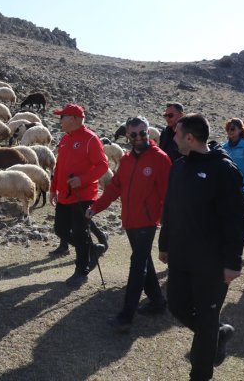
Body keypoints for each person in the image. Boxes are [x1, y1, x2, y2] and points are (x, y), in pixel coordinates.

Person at [159, 114, 244, 381]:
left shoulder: (224, 170)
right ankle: (219, 334)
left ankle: (200, 374)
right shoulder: (179, 167)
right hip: (181, 256)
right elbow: (170, 209)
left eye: (177, 134)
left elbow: (236, 222)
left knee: (207, 320)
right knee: (176, 305)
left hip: (212, 263)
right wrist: (164, 244)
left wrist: (233, 262)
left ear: (190, 137)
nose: (173, 138)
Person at [86, 116, 171, 332]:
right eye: (134, 134)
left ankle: (126, 316)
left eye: (143, 133)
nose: (140, 137)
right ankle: (158, 303)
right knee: (144, 262)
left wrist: (165, 223)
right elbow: (114, 188)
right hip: (130, 220)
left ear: (148, 132)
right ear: (127, 136)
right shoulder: (125, 160)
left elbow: (167, 195)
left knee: (137, 265)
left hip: (147, 222)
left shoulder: (160, 159)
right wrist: (95, 207)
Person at [50, 103, 109, 287]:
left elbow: (103, 165)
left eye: (63, 117)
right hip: (65, 195)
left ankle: (81, 271)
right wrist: (53, 188)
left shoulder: (91, 139)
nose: (60, 120)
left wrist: (82, 180)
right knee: (60, 229)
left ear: (74, 118)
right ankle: (92, 250)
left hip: (82, 195)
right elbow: (59, 166)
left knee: (79, 232)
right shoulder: (66, 139)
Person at [221, 118, 244, 197]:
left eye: (232, 129)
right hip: (226, 185)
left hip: (243, 186)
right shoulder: (223, 147)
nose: (229, 131)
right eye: (227, 129)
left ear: (240, 130)